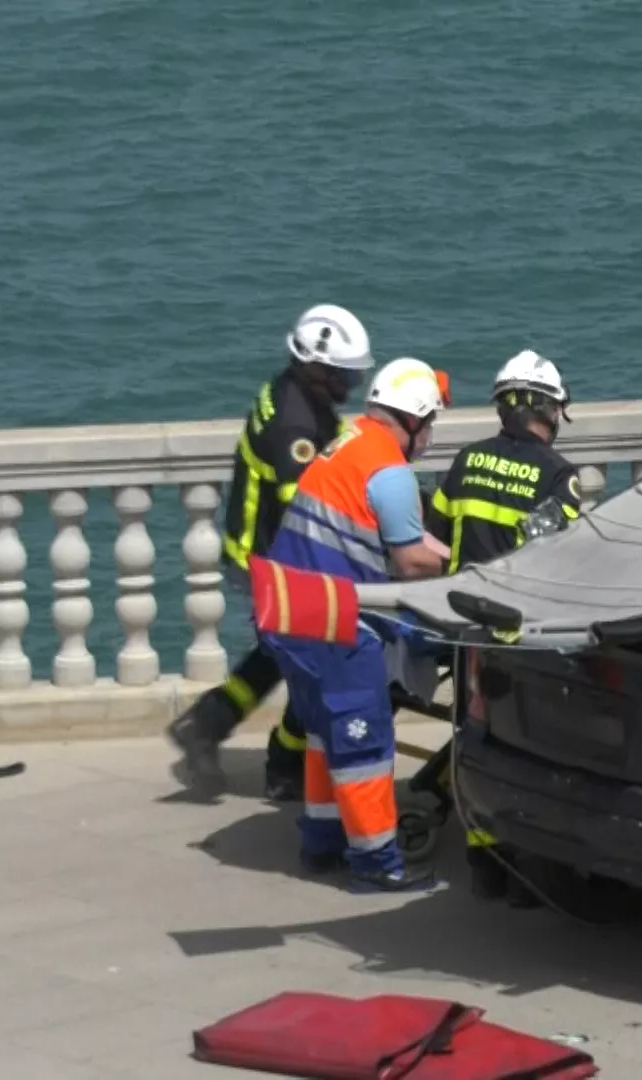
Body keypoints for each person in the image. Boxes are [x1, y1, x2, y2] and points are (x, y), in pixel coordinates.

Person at [259, 357, 452, 892]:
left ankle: (322, 842)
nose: (431, 434)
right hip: (332, 624)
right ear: (412, 419)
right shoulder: (389, 470)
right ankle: (378, 864)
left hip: (290, 610)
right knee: (364, 744)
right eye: (430, 422)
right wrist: (459, 562)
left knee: (325, 735)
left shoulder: (346, 441)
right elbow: (412, 561)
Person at [168, 304, 374, 801]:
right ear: (314, 366)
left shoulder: (294, 394)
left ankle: (207, 725)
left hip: (263, 551)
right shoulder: (293, 428)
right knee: (310, 659)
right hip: (273, 558)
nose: (350, 383)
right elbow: (308, 506)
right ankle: (283, 766)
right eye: (342, 373)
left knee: (277, 657)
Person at [426, 349, 583, 904]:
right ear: (545, 410)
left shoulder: (466, 462)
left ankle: (484, 860)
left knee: (473, 738)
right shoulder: (557, 477)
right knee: (529, 751)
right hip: (523, 639)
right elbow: (564, 558)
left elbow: (436, 535)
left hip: (465, 630)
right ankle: (526, 867)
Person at [428, 349, 583, 572]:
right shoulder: (558, 473)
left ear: (502, 408)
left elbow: (437, 528)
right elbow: (562, 551)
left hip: (457, 597)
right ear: (550, 409)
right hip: (517, 601)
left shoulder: (467, 458)